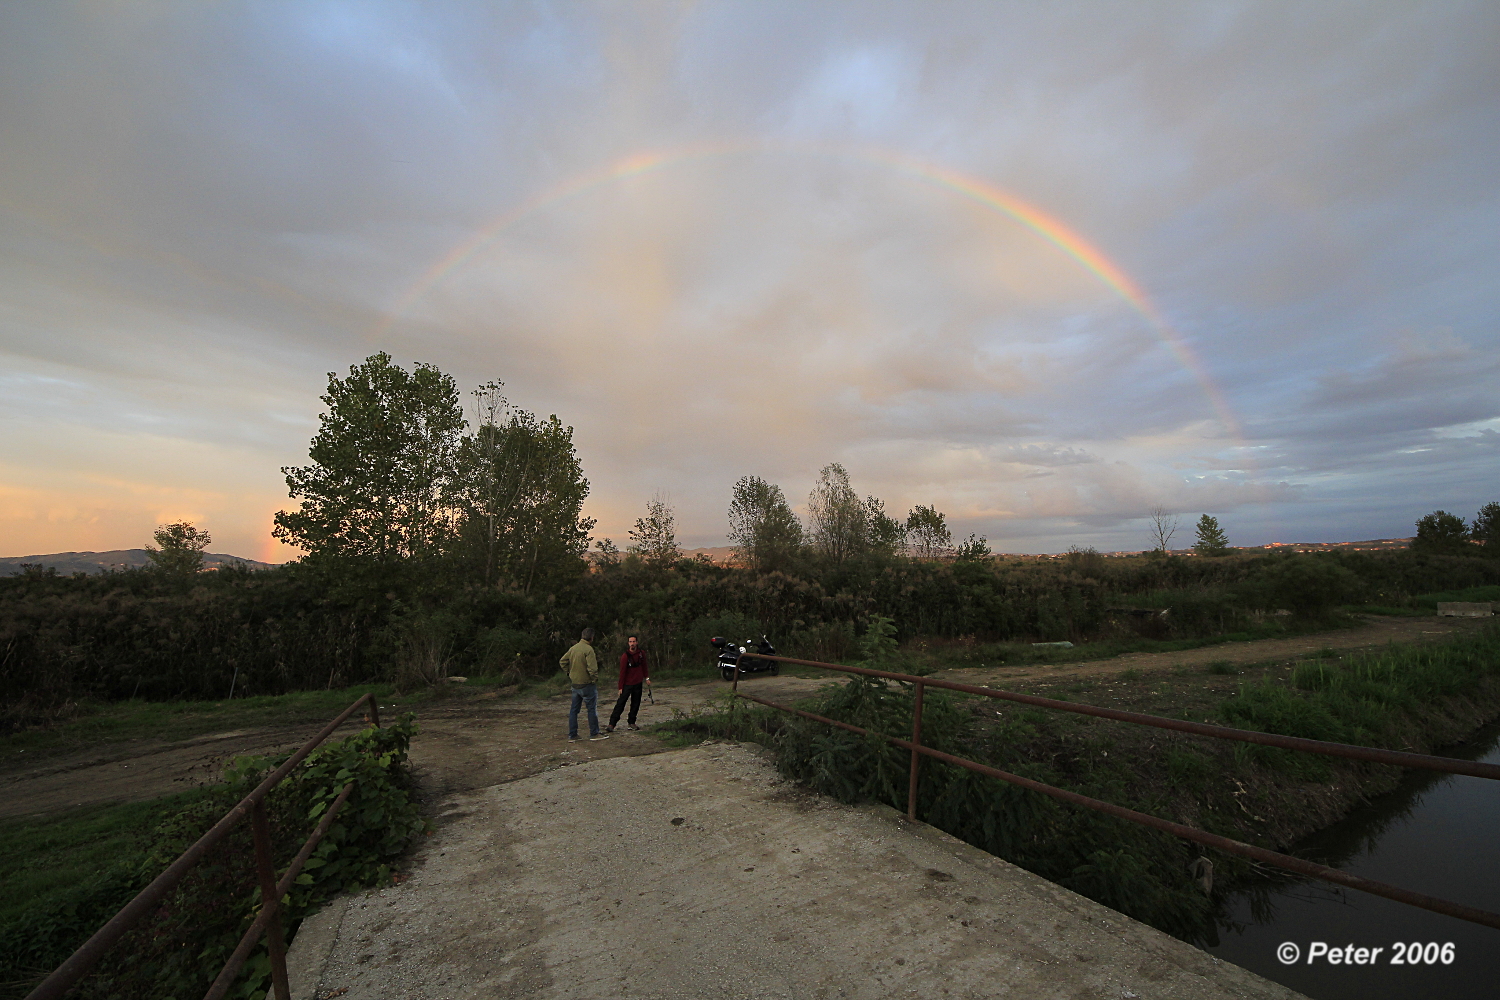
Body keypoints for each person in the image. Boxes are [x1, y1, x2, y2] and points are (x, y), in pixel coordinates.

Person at [560, 627, 608, 742]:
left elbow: (562, 661)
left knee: (574, 710)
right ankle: (594, 733)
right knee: (591, 709)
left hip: (575, 683)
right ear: (592, 637)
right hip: (586, 684)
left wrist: (569, 672)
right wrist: (594, 679)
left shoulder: (573, 648)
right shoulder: (589, 649)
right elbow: (592, 668)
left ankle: (573, 735)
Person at [606, 634, 651, 732]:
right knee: (620, 703)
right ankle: (612, 724)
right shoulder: (625, 656)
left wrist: (647, 678)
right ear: (628, 643)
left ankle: (632, 722)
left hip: (638, 682)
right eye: (630, 642)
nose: (632, 644)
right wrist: (620, 687)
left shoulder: (641, 654)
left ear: (637, 642)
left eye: (634, 641)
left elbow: (644, 666)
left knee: (635, 704)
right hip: (627, 684)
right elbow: (622, 672)